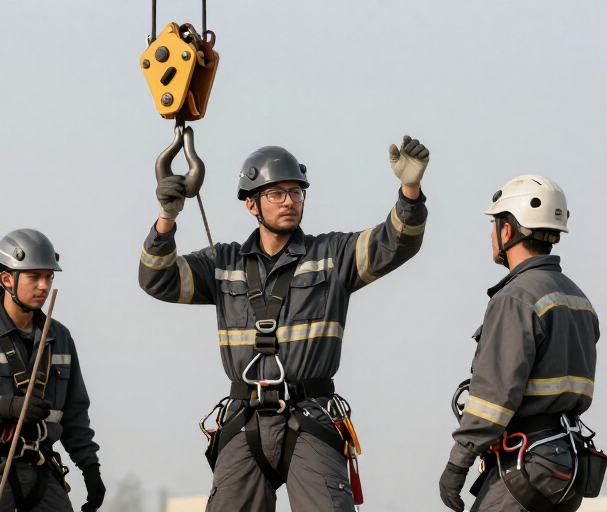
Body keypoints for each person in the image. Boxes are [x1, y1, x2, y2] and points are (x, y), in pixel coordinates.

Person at [138, 137, 431, 511]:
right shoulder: (222, 263)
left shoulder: (332, 256)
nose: (289, 201)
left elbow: (396, 243)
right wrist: (166, 218)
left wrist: (410, 191)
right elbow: (157, 279)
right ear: (251, 204)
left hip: (310, 417)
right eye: (276, 193)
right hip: (243, 421)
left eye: (295, 193)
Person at [438, 175, 601, 512]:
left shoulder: (515, 298)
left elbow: (493, 398)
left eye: (495, 224)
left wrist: (457, 464)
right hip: (569, 462)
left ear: (507, 230)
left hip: (529, 460)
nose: (492, 234)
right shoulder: (578, 299)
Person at [0, 229, 104, 512]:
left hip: (44, 467)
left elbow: (74, 412)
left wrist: (90, 466)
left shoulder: (59, 337)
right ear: (7, 279)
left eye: (49, 277)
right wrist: (7, 406)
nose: (43, 286)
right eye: (34, 277)